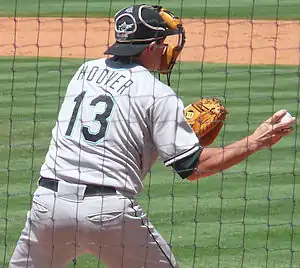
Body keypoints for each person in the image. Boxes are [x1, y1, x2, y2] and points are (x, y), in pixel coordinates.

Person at [9, 4, 296, 268]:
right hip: (108, 214)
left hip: (48, 205)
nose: (167, 50)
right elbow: (193, 167)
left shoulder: (85, 71)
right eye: (163, 43)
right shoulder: (158, 94)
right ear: (150, 47)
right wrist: (256, 141)